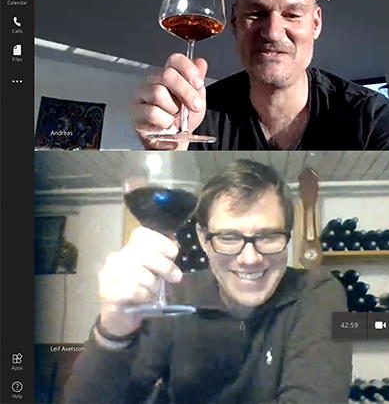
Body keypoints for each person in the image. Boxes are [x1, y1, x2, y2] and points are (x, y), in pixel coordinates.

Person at [64, 159, 352, 403]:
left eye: (267, 236)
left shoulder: (317, 292)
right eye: (228, 237)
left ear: (287, 236)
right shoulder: (175, 296)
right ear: (203, 239)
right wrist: (113, 331)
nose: (250, 258)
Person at [131, 0, 389, 151]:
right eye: (256, 13)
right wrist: (167, 156)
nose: (272, 32)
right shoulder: (198, 117)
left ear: (316, 24)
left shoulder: (372, 121)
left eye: (292, 14)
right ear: (234, 22)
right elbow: (169, 204)